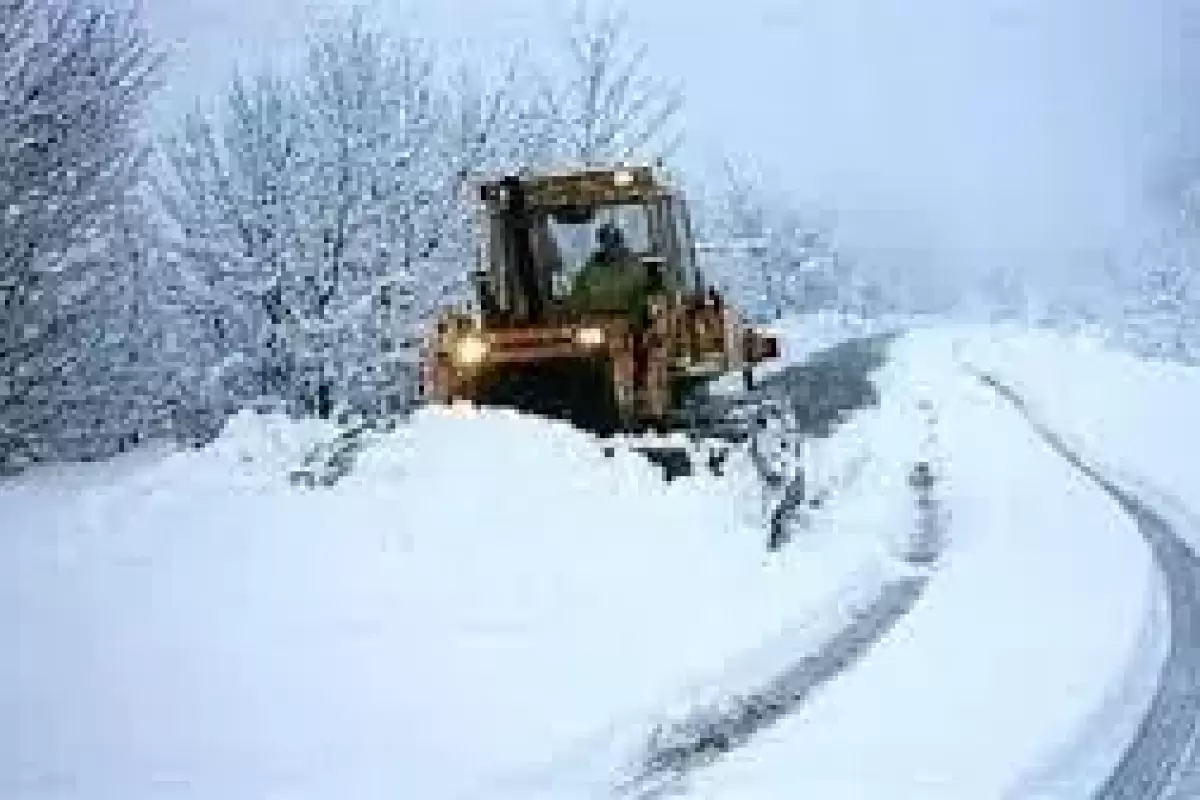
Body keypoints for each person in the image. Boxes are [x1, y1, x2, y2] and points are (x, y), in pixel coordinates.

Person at [568, 222, 649, 317]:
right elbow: (577, 301)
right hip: (595, 321)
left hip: (629, 322)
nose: (610, 247)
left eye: (615, 242)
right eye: (605, 242)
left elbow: (646, 300)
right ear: (601, 244)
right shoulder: (589, 271)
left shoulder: (636, 269)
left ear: (621, 242)